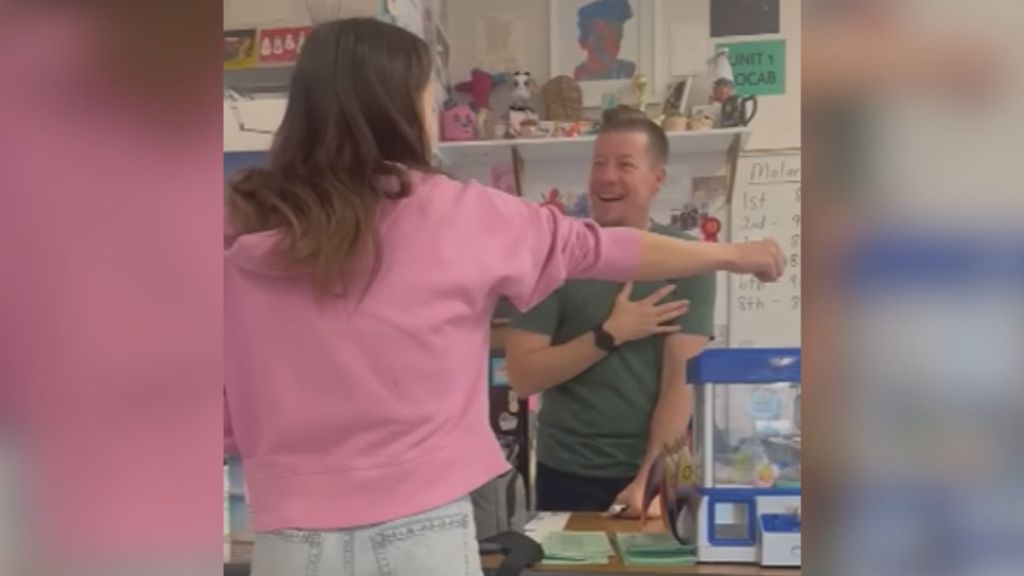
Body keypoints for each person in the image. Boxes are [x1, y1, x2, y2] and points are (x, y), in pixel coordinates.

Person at [224, 18, 785, 576]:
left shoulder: (239, 223)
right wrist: (733, 254)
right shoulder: (458, 215)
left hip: (288, 539)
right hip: (424, 531)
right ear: (400, 109)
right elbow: (598, 249)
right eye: (429, 98)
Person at [505, 107, 714, 518]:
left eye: (625, 164)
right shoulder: (555, 254)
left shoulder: (689, 259)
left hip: (658, 467)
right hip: (566, 470)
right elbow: (522, 376)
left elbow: (680, 382)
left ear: (657, 180)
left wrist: (650, 476)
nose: (606, 176)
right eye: (599, 163)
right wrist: (609, 334)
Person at [573, 0, 637, 81]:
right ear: (583, 42)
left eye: (615, 35)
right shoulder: (577, 78)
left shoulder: (629, 71)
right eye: (600, 38)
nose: (609, 45)